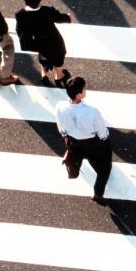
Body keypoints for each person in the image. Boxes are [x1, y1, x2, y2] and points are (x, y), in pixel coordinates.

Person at [55, 76, 112, 204]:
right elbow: (102, 132)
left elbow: (61, 127)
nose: (85, 89)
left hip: (74, 143)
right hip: (94, 143)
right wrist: (104, 138)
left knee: (84, 157)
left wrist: (66, 138)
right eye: (84, 88)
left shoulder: (60, 107)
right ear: (79, 94)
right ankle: (98, 194)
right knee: (104, 169)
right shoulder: (92, 112)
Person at [15, 0, 71, 86]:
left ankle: (44, 74)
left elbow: (19, 30)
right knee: (58, 58)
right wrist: (68, 17)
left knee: (43, 57)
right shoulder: (48, 11)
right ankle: (59, 77)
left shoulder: (20, 14)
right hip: (54, 42)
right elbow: (59, 18)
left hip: (38, 42)